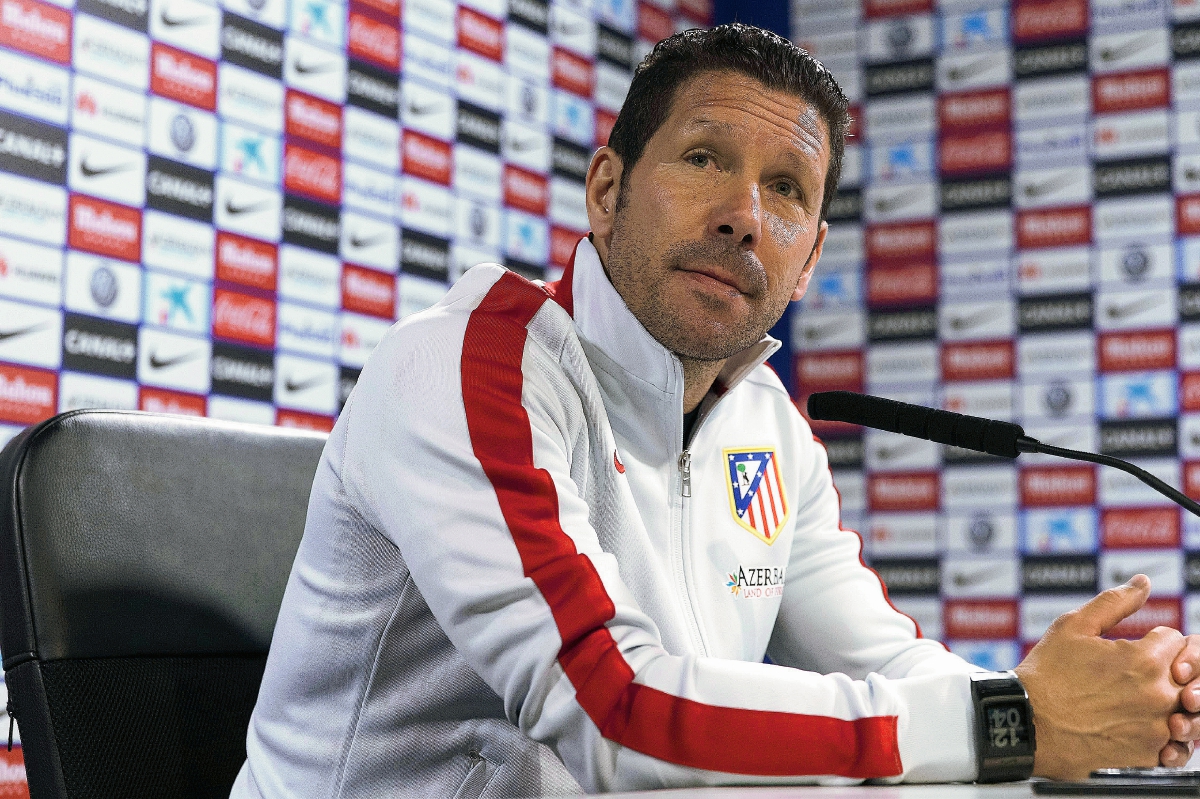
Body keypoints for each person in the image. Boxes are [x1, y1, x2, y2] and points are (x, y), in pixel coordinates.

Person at [231, 24, 1200, 797]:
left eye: (786, 188)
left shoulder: (766, 421)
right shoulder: (468, 363)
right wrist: (1011, 722)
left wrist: (1090, 705)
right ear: (607, 191)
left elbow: (879, 658)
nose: (744, 212)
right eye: (703, 158)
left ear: (810, 256)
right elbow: (609, 705)